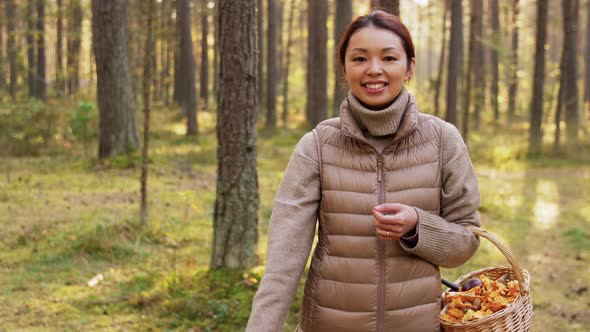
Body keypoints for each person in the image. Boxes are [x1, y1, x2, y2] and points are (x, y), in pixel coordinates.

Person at [246, 10, 481, 332]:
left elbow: (466, 241)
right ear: (344, 68)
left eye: (388, 58)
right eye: (359, 59)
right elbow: (283, 263)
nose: (374, 70)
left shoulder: (443, 140)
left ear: (409, 67)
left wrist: (417, 226)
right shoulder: (317, 145)